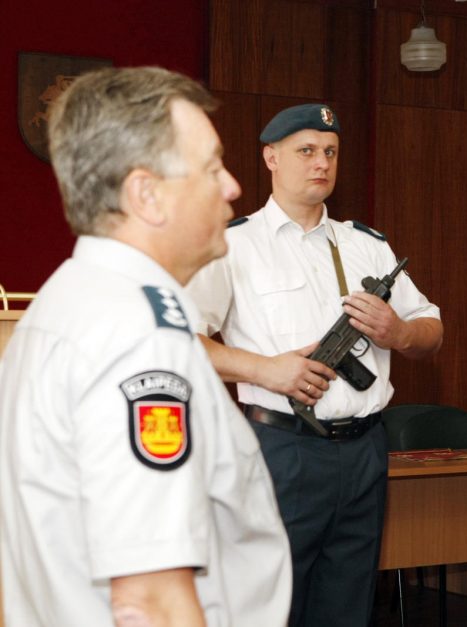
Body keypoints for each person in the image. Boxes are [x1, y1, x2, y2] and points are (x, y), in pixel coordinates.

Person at [0, 66, 292, 626]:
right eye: (210, 168)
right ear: (147, 195)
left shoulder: (63, 304)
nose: (232, 185)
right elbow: (149, 599)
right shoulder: (138, 336)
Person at [186, 103, 443, 627]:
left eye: (330, 152)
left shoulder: (367, 245)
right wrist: (265, 370)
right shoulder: (234, 245)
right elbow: (179, 341)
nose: (321, 162)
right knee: (271, 604)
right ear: (270, 157)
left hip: (366, 449)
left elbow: (432, 329)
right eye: (306, 151)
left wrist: (400, 332)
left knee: (348, 605)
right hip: (283, 449)